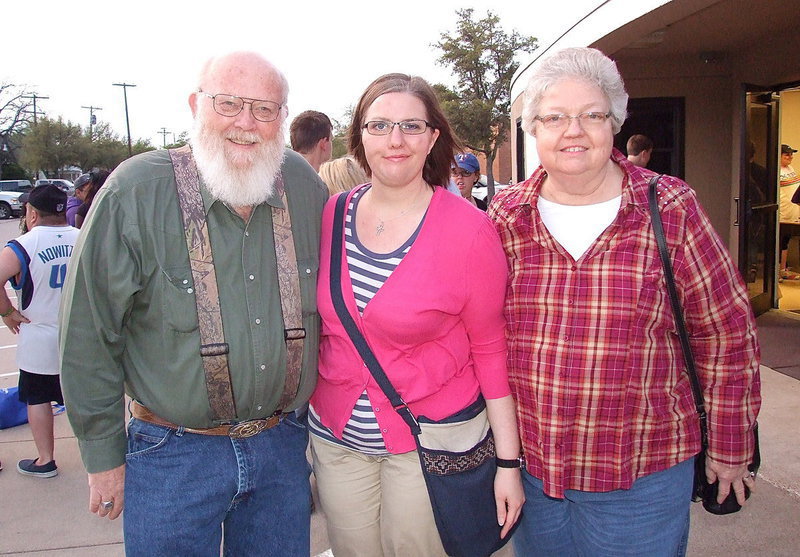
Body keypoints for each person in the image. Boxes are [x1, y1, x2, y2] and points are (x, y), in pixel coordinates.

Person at [489, 47, 761, 556]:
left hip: (642, 474)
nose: (573, 130)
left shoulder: (670, 206)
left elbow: (725, 333)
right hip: (533, 470)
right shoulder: (504, 215)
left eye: (591, 115)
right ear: (533, 128)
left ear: (614, 123)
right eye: (555, 117)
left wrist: (729, 447)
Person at [59, 51, 327, 556]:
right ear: (194, 105)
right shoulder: (136, 191)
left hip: (281, 449)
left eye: (265, 109)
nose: (246, 123)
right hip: (172, 458)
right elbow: (88, 333)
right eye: (228, 104)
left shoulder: (304, 187)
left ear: (282, 119)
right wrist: (101, 455)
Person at [309, 73, 524, 557]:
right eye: (379, 125)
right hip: (338, 439)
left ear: (432, 138)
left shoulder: (469, 231)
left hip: (428, 441)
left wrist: (508, 464)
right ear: (360, 137)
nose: (395, 140)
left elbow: (490, 352)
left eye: (411, 125)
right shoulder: (331, 215)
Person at [0, 185, 79, 478]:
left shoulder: (22, 245)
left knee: (38, 399)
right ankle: (101, 460)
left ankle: (45, 459)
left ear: (32, 212)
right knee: (86, 399)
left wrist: (8, 312)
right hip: (81, 337)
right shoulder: (85, 238)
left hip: (39, 336)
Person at [779, 144, 800, 280]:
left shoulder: (790, 168)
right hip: (783, 212)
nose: (790, 157)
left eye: (791, 154)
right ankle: (779, 270)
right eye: (787, 154)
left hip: (794, 212)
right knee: (780, 241)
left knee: (786, 240)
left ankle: (784, 269)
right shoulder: (777, 171)